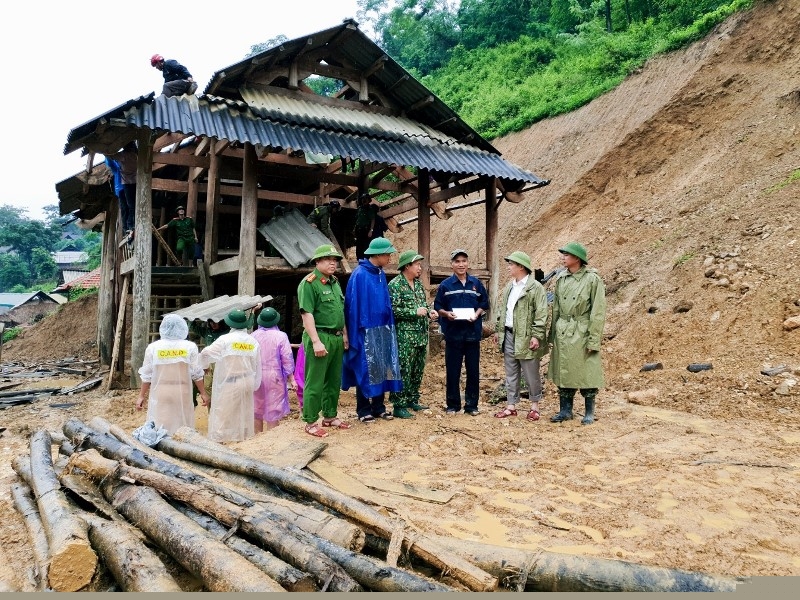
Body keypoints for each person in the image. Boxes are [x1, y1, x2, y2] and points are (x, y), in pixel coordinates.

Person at [342, 237, 403, 423]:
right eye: (388, 254)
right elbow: (352, 307)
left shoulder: (380, 274)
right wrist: (353, 334)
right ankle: (363, 410)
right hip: (365, 331)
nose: (390, 258)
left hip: (383, 329)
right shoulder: (359, 275)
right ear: (377, 255)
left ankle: (379, 407)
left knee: (383, 368)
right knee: (365, 368)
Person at [547, 242, 607, 425]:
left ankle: (589, 411)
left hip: (582, 329)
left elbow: (598, 311)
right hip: (563, 328)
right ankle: (566, 410)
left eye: (566, 254)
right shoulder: (562, 279)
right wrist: (553, 334)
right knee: (563, 370)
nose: (563, 257)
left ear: (577, 258)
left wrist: (593, 339)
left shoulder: (592, 279)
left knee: (587, 370)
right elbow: (556, 308)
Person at [297, 244, 350, 438]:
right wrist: (316, 341)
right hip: (320, 336)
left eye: (335, 260)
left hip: (335, 337)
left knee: (334, 380)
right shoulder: (309, 283)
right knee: (315, 381)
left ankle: (330, 416)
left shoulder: (334, 282)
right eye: (328, 259)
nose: (332, 263)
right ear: (317, 261)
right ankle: (310, 421)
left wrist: (344, 334)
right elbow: (307, 314)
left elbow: (339, 311)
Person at [492, 251, 548, 422]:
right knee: (511, 372)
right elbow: (504, 311)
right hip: (509, 334)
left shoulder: (535, 288)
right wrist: (498, 330)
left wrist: (536, 335)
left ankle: (534, 406)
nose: (508, 267)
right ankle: (511, 405)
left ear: (521, 267)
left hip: (526, 337)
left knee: (531, 372)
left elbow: (541, 313)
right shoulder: (510, 286)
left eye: (511, 264)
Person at [434, 249, 490, 416]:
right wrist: (446, 314)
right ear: (452, 265)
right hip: (453, 334)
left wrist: (477, 314)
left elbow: (484, 303)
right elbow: (438, 307)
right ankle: (453, 405)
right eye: (457, 261)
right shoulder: (445, 285)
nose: (461, 264)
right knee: (453, 371)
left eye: (464, 261)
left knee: (473, 371)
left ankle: (472, 406)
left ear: (468, 263)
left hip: (472, 334)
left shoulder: (476, 284)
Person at [136, 314, 209, 434]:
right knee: (182, 421)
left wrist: (141, 396)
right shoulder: (190, 347)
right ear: (182, 328)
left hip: (162, 389)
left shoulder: (153, 348)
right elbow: (197, 374)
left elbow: (147, 375)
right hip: (182, 389)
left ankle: (164, 446)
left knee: (162, 421)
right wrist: (203, 393)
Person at [388, 250, 437, 418]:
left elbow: (423, 305)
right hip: (404, 337)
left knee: (417, 369)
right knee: (403, 370)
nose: (419, 268)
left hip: (421, 335)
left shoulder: (418, 285)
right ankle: (399, 405)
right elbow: (393, 310)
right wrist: (414, 311)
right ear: (407, 266)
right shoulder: (395, 285)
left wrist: (430, 312)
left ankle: (412, 399)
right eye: (417, 264)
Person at [200, 309, 262, 442]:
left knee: (222, 413)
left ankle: (218, 443)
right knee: (243, 413)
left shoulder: (225, 340)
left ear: (230, 324)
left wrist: (205, 367)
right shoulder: (252, 342)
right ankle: (242, 441)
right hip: (247, 381)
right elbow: (257, 365)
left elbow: (205, 353)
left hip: (230, 382)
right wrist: (255, 385)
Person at [251, 307, 297, 433]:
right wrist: (291, 378)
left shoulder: (253, 335)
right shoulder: (281, 336)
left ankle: (257, 439)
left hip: (256, 375)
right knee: (274, 408)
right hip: (274, 375)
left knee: (256, 408)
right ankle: (271, 440)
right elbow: (287, 358)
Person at [104, 141, 137, 237]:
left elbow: (111, 158)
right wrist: (107, 152)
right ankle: (126, 228)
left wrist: (107, 151)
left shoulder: (123, 159)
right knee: (125, 208)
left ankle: (130, 226)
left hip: (126, 186)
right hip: (122, 188)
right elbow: (110, 161)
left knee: (130, 207)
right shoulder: (117, 165)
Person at [353, 193, 386, 259]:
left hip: (366, 230)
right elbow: (358, 220)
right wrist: (354, 229)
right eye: (363, 199)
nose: (364, 200)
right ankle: (360, 259)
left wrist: (371, 230)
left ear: (369, 200)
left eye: (366, 199)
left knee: (366, 246)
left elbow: (372, 219)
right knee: (359, 245)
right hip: (359, 230)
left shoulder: (370, 209)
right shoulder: (360, 209)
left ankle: (366, 259)